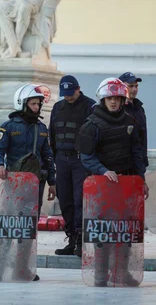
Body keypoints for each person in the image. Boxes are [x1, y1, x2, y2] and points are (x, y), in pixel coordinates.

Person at [77, 77, 148, 287]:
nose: (114, 102)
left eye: (117, 98)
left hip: (126, 185)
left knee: (125, 232)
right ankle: (100, 274)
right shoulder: (92, 125)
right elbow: (85, 156)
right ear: (103, 99)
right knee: (103, 232)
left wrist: (141, 180)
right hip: (102, 187)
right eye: (110, 99)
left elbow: (137, 153)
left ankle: (121, 272)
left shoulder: (130, 122)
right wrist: (103, 170)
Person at [0, 84, 56, 281]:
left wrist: (53, 182)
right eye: (33, 103)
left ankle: (22, 269)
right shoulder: (8, 127)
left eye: (38, 104)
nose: (37, 107)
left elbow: (48, 157)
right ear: (22, 103)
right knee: (8, 225)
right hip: (14, 185)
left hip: (35, 186)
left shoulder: (42, 129)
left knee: (28, 228)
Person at [49, 75, 94, 256]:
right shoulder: (57, 108)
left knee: (80, 200)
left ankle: (81, 240)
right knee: (65, 200)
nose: (68, 97)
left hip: (80, 161)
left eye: (71, 93)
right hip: (61, 159)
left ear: (78, 88)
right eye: (65, 94)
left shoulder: (90, 106)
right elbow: (53, 134)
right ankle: (71, 238)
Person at [119, 72, 148, 168]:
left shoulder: (139, 109)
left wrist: (144, 159)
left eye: (136, 86)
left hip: (139, 161)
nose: (134, 89)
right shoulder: (118, 110)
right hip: (123, 164)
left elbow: (143, 136)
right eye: (131, 86)